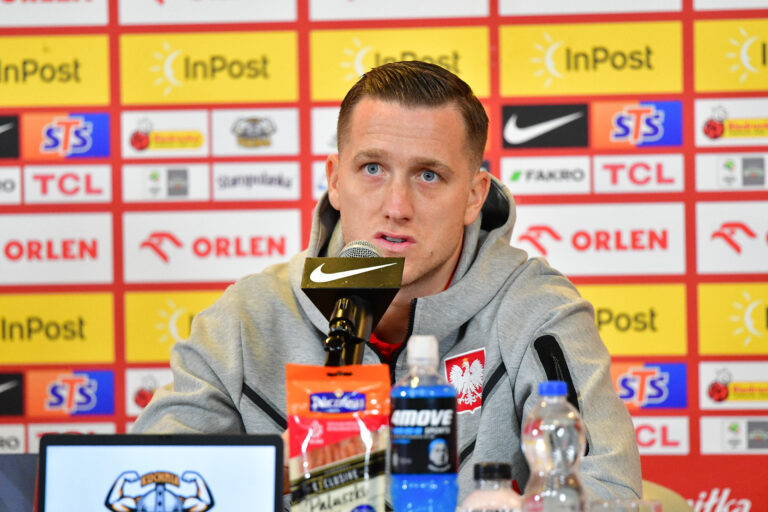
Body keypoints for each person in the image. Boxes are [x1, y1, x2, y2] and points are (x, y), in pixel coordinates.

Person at [133, 60, 641, 503]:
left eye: (428, 175)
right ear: (336, 180)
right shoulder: (247, 318)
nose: (397, 207)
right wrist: (274, 475)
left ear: (474, 195)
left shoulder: (537, 311)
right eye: (372, 168)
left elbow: (605, 489)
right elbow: (151, 484)